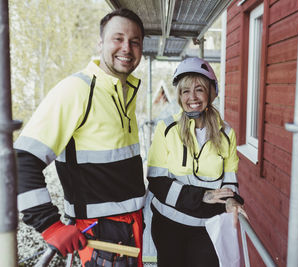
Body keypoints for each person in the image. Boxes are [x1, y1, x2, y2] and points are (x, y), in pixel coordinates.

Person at [14, 8, 146, 267]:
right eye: (117, 39)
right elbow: (22, 160)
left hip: (131, 229)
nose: (126, 48)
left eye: (135, 41)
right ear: (100, 43)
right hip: (100, 237)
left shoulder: (125, 93)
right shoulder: (76, 90)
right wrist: (49, 226)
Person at [147, 57, 247, 267]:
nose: (191, 97)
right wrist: (203, 196)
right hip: (169, 225)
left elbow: (229, 181)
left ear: (211, 92)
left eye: (199, 89)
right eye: (185, 91)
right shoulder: (167, 129)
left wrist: (230, 200)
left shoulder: (226, 133)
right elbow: (157, 181)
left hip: (208, 226)